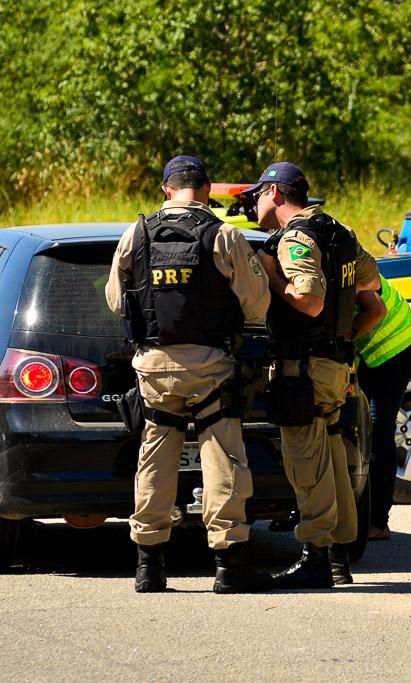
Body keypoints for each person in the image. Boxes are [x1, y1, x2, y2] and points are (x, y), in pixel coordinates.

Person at [104, 155, 273, 594]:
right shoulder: (225, 235)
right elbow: (257, 303)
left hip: (153, 368)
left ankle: (149, 565)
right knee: (223, 457)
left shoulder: (136, 233)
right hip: (211, 366)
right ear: (208, 188)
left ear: (166, 189)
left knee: (155, 458)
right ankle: (229, 563)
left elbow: (116, 299)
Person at [247, 162, 382, 588]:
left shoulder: (296, 238)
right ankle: (339, 555)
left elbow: (310, 301)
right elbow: (374, 302)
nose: (254, 202)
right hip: (334, 365)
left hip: (302, 369)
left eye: (258, 194)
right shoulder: (340, 233)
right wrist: (342, 344)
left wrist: (270, 276)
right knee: (334, 460)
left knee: (307, 463)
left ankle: (316, 557)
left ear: (275, 193)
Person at [352, 276, 411, 540]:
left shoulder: (326, 255)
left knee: (377, 433)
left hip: (395, 347)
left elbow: (377, 309)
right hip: (382, 348)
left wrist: (346, 338)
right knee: (370, 432)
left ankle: (377, 523)